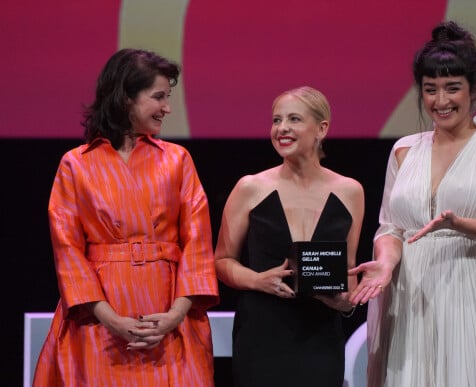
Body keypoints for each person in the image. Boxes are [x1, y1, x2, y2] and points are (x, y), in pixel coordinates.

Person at [349, 21, 476, 386]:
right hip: (412, 299)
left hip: (473, 295)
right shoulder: (403, 151)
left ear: (474, 90)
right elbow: (390, 227)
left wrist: (459, 224)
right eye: (430, 90)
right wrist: (385, 263)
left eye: (452, 88)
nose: (440, 101)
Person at [33, 48, 219, 386]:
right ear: (125, 98)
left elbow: (197, 242)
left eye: (169, 96)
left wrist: (175, 315)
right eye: (158, 97)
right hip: (99, 318)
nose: (167, 107)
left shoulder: (177, 160)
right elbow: (68, 250)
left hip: (169, 315)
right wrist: (111, 319)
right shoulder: (76, 164)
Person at [214, 86, 364, 387]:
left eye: (294, 119)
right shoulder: (250, 187)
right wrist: (258, 280)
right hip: (262, 336)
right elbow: (222, 261)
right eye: (276, 120)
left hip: (321, 339)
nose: (281, 128)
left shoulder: (350, 191)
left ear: (321, 128)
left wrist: (342, 302)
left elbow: (348, 275)